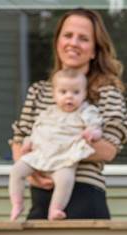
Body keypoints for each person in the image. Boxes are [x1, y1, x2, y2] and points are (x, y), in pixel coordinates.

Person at [10, 8, 127, 220]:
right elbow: (19, 140)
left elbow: (108, 150)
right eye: (68, 35)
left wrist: (49, 147)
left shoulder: (106, 92)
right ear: (58, 42)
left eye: (83, 38)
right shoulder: (38, 91)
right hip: (41, 195)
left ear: (94, 50)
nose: (73, 43)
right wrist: (33, 174)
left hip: (84, 196)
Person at [9, 68, 102, 221]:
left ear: (84, 94)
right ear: (54, 94)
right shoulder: (48, 112)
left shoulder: (86, 111)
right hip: (40, 155)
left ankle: (55, 209)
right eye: (63, 92)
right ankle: (17, 203)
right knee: (16, 171)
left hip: (64, 159)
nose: (69, 97)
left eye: (76, 92)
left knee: (65, 180)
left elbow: (97, 128)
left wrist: (92, 134)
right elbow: (37, 131)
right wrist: (28, 142)